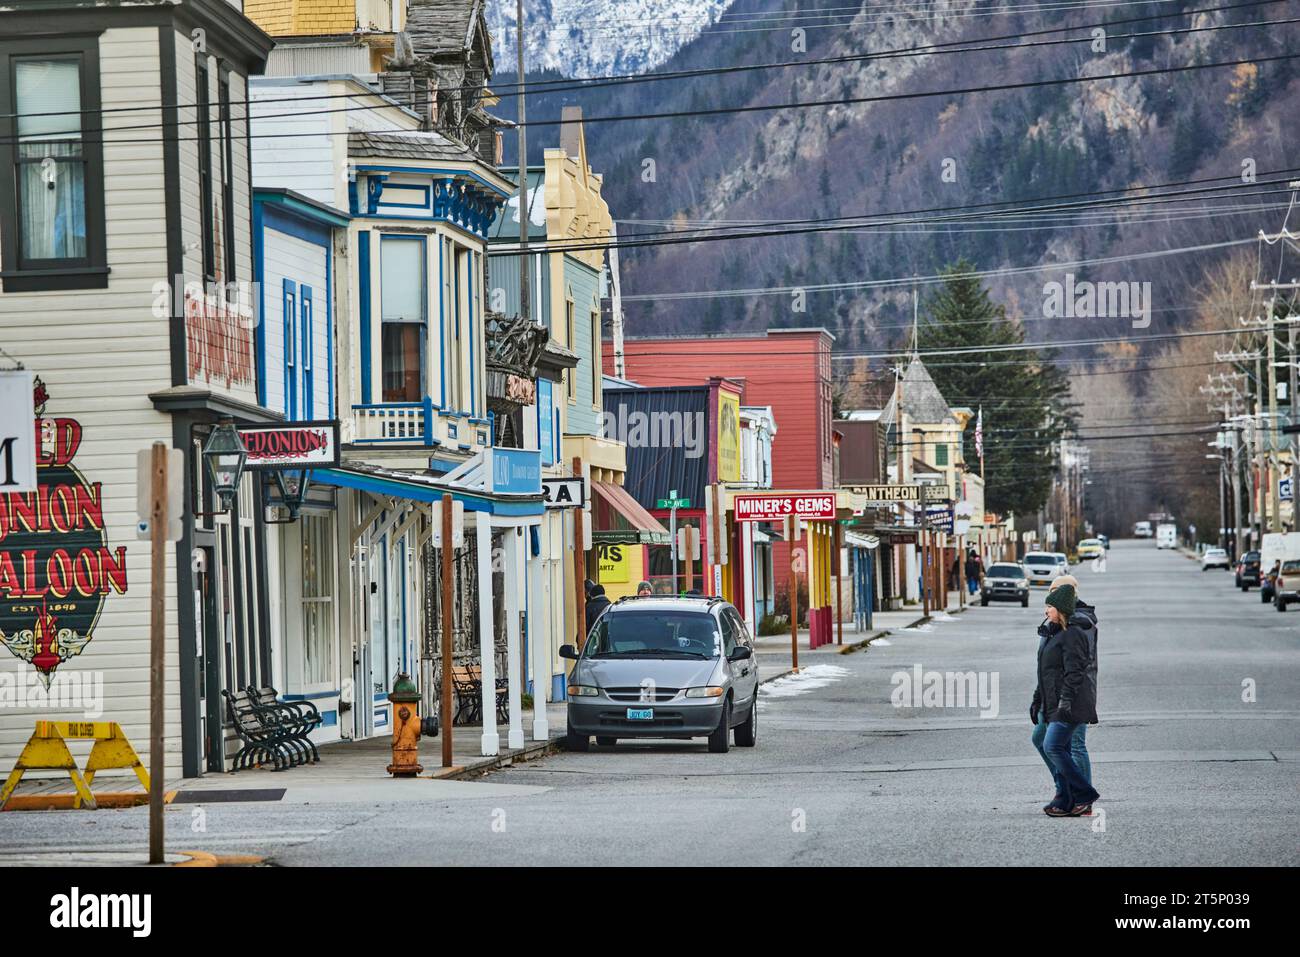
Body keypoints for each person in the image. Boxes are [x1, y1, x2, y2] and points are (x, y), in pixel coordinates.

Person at [1031, 582, 1100, 817]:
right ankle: (1065, 797)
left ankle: (1083, 794)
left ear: (1060, 608)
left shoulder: (1073, 633)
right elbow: (1046, 671)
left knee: (1054, 746)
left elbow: (1075, 673)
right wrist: (1037, 699)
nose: (1045, 610)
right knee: (1053, 745)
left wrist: (1064, 704)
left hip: (1070, 704)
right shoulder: (1054, 631)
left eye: (1049, 606)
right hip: (1052, 702)